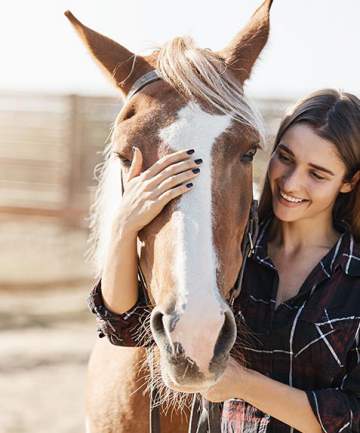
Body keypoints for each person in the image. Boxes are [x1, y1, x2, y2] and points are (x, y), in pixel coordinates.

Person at [88, 89, 360, 433]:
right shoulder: (231, 245)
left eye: (317, 174)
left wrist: (243, 384)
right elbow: (124, 327)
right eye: (286, 158)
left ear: (349, 182)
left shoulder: (353, 280)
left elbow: (352, 414)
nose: (291, 183)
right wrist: (124, 227)